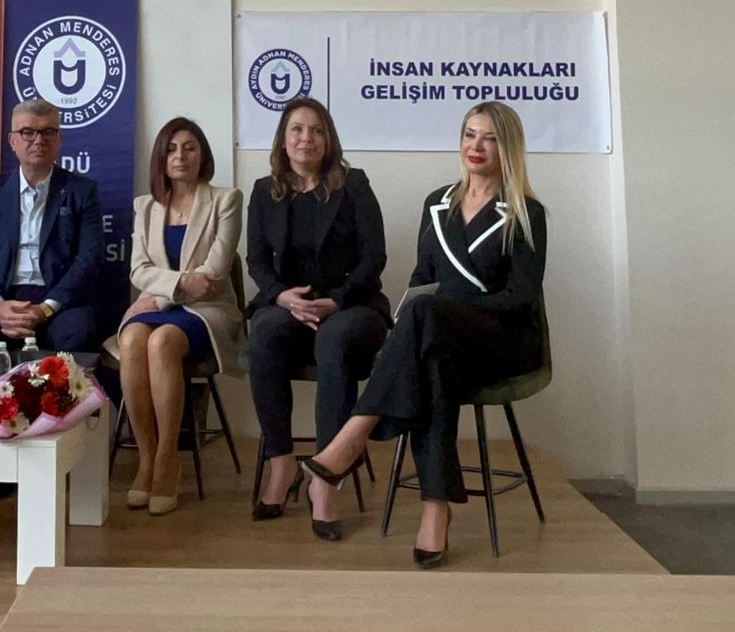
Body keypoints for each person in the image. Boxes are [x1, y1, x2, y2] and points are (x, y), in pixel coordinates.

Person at [305, 101, 547, 568]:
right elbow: (422, 278)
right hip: (441, 340)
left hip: (501, 340)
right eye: (470, 134)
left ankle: (354, 433)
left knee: (427, 317)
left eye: (490, 138)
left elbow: (521, 297)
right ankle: (436, 510)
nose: (476, 146)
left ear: (508, 147)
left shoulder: (525, 212)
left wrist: (447, 311)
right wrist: (419, 322)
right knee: (432, 356)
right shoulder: (437, 203)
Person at [0, 99, 105, 502]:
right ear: (12, 141)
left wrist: (47, 308)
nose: (37, 141)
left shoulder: (81, 191)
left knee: (79, 336)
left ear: (59, 139)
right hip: (1, 298)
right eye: (28, 132)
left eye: (47, 132)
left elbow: (90, 258)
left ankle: (55, 455)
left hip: (56, 301)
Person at [245, 98, 390, 541]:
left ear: (328, 140)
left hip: (351, 305)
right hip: (289, 306)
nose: (306, 138)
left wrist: (336, 301)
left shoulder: (354, 184)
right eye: (297, 129)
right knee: (263, 332)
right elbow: (256, 261)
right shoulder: (265, 191)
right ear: (283, 139)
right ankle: (282, 462)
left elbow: (374, 257)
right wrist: (281, 296)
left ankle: (326, 477)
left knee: (334, 339)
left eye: (316, 130)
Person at [114, 117, 242, 515]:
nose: (180, 156)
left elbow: (213, 272)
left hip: (208, 311)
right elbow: (138, 270)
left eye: (189, 147)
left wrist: (160, 299)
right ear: (161, 157)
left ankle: (168, 459)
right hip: (159, 305)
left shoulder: (226, 200)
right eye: (171, 149)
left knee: (162, 341)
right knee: (132, 340)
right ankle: (146, 458)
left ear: (202, 154)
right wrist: (174, 288)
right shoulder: (145, 207)